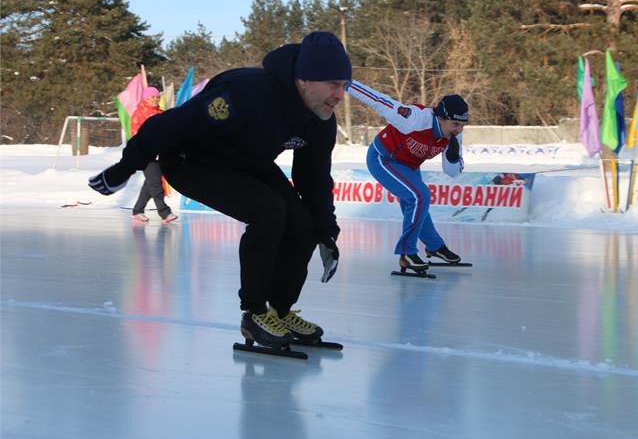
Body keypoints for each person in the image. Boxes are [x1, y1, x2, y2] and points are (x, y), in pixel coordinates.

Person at [88, 32, 350, 349]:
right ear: (304, 79)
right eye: (333, 84)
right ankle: (254, 314)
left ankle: (280, 312)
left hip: (247, 162)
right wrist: (123, 168)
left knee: (304, 224)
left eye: (344, 85)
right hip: (191, 162)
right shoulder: (247, 93)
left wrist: (326, 231)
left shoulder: (321, 118)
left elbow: (314, 177)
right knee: (268, 211)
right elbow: (167, 126)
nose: (340, 94)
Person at [347, 80, 468, 271]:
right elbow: (379, 100)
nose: (459, 130)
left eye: (462, 125)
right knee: (420, 196)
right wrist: (345, 82)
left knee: (418, 202)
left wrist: (452, 158)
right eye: (455, 124)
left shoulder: (454, 135)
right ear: (440, 118)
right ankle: (407, 252)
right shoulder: (415, 118)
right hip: (383, 158)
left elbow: (452, 172)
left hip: (408, 166)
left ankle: (435, 246)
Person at [129, 86, 177, 223]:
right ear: (146, 98)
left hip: (160, 154)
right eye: (152, 97)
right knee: (156, 183)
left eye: (157, 97)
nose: (155, 99)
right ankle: (164, 212)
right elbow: (137, 135)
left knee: (150, 183)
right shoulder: (139, 114)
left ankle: (137, 210)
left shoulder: (161, 113)